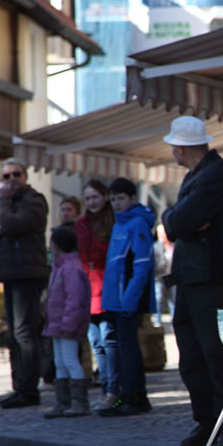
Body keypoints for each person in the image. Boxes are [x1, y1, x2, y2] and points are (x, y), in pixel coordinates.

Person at [160, 116, 223, 446]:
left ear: (182, 148)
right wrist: (176, 219)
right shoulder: (200, 174)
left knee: (213, 355)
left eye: (174, 146)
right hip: (191, 278)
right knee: (192, 357)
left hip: (208, 279)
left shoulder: (213, 176)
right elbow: (178, 222)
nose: (172, 151)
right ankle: (207, 421)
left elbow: (177, 223)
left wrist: (175, 219)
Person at [0, 158, 49, 409]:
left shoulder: (34, 200)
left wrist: (2, 206)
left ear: (25, 176)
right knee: (14, 333)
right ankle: (19, 386)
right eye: (6, 176)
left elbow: (11, 224)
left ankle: (29, 389)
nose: (11, 180)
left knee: (24, 331)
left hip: (28, 273)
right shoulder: (9, 205)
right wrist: (1, 224)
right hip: (9, 274)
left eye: (16, 174)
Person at [96, 177, 157, 417]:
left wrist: (130, 298)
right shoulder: (119, 223)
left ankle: (135, 397)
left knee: (128, 348)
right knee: (122, 347)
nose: (116, 204)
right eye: (112, 200)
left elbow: (142, 264)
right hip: (116, 299)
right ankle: (128, 395)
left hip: (127, 299)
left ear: (133, 198)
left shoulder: (137, 222)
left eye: (120, 198)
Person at [74, 180, 119, 409]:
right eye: (87, 198)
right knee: (96, 343)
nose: (91, 202)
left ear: (104, 197)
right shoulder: (81, 225)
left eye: (95, 197)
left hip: (106, 288)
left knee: (108, 339)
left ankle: (113, 390)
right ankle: (105, 388)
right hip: (87, 289)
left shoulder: (112, 221)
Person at [42, 226, 92, 418]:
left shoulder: (70, 268)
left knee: (70, 360)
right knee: (60, 362)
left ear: (56, 245)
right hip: (57, 325)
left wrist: (69, 324)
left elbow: (75, 300)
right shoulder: (61, 267)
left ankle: (79, 402)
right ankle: (63, 402)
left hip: (65, 325)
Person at [153, 224, 175, 326]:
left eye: (164, 233)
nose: (163, 235)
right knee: (158, 298)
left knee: (173, 299)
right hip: (159, 276)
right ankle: (157, 320)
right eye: (161, 233)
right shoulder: (155, 246)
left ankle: (174, 319)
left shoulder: (173, 245)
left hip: (172, 275)